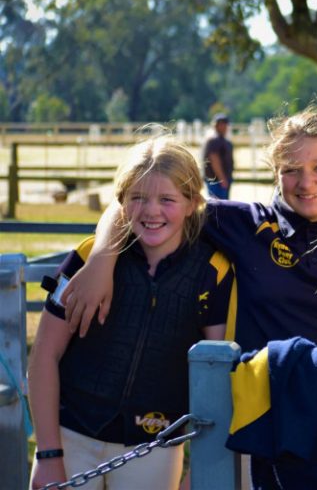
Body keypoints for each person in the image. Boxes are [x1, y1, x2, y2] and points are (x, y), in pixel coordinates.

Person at [61, 107, 317, 358]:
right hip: (258, 418)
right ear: (275, 173)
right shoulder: (245, 225)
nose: (306, 183)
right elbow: (132, 204)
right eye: (291, 169)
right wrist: (101, 262)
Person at [28, 136, 235, 490]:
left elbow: (217, 378)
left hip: (155, 446)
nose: (151, 211)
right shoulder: (89, 258)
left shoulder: (213, 271)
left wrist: (195, 468)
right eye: (138, 198)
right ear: (122, 202)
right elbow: (44, 354)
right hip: (71, 437)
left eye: (167, 200)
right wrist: (49, 454)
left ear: (192, 204)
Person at [202, 113, 234, 199]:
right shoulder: (214, 141)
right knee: (219, 207)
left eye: (225, 124)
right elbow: (214, 160)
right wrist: (222, 179)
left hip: (223, 179)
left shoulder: (224, 141)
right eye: (220, 124)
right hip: (217, 181)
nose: (223, 126)